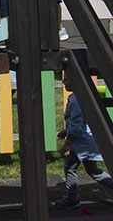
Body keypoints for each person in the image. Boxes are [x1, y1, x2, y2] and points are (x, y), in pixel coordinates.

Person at [55, 74, 113, 207]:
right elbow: (79, 121)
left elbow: (76, 125)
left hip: (80, 142)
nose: (64, 81)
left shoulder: (77, 101)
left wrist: (68, 144)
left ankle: (72, 198)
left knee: (70, 168)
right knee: (93, 170)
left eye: (67, 79)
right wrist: (66, 131)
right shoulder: (80, 97)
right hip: (87, 139)